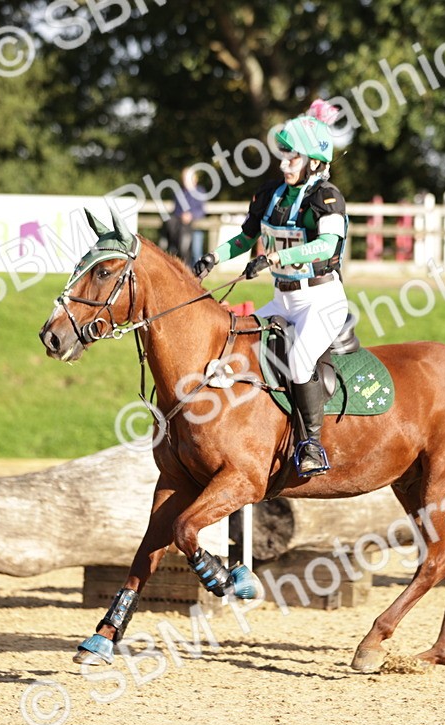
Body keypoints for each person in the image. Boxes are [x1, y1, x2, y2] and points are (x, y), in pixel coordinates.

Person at [192, 99, 349, 478]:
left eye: (293, 157)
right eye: (283, 156)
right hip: (283, 299)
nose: (284, 164)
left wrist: (278, 258)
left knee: (298, 361)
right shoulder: (271, 194)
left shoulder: (326, 198)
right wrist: (213, 258)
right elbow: (246, 239)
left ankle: (311, 443)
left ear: (314, 161)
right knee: (231, 341)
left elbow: (328, 246)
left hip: (321, 301)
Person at [162, 167, 206, 262]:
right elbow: (176, 210)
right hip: (181, 226)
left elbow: (201, 210)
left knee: (196, 252)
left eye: (187, 178)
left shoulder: (200, 191)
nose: (185, 180)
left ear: (195, 179)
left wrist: (191, 215)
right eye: (184, 178)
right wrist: (182, 215)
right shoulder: (179, 192)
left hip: (196, 225)